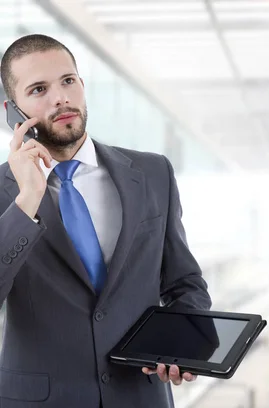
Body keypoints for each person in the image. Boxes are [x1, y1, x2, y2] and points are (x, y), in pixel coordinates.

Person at [0, 34, 212, 407]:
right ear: (12, 112)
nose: (60, 98)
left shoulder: (152, 172)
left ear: (82, 86)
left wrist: (183, 338)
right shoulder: (7, 192)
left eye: (68, 81)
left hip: (140, 395)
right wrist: (28, 198)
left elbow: (184, 282)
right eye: (38, 89)